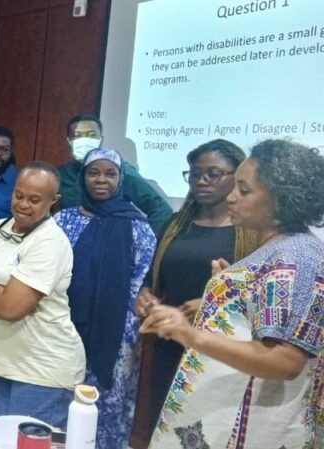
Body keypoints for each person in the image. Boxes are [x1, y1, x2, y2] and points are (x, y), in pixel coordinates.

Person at [138, 140, 324, 449]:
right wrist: (227, 295)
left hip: (254, 429)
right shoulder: (280, 250)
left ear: (280, 199)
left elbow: (285, 360)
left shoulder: (294, 256)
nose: (232, 197)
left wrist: (189, 334)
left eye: (244, 190)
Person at [129, 140, 258, 449]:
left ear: (236, 176)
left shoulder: (251, 232)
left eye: (213, 173)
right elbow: (153, 279)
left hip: (221, 348)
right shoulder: (176, 225)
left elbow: (258, 289)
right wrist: (146, 296)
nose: (201, 181)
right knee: (166, 427)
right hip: (167, 344)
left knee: (207, 429)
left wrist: (211, 302)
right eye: (195, 174)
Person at [0, 161, 84, 429]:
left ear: (53, 201)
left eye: (34, 200)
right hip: (0, 361)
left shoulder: (50, 242)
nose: (23, 204)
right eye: (19, 195)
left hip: (43, 368)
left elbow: (11, 309)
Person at [53, 148, 157, 449]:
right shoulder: (63, 220)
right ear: (82, 178)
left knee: (106, 408)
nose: (101, 180)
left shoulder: (138, 225)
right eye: (93, 173)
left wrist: (129, 334)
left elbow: (142, 281)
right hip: (64, 330)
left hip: (116, 338)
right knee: (63, 403)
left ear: (121, 179)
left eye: (110, 174)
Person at [56, 114, 173, 232]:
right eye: (78, 136)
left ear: (100, 139)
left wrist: (147, 241)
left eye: (91, 135)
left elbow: (161, 210)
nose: (85, 140)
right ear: (68, 141)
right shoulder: (59, 174)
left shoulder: (121, 171)